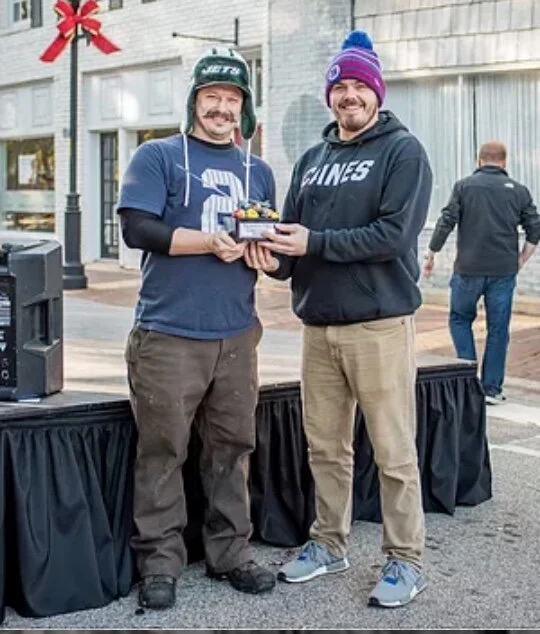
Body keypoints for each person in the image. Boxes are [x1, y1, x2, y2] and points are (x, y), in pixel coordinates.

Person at [244, 30, 433, 608]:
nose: (350, 95)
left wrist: (314, 242)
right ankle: (329, 542)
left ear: (377, 92)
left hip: (378, 325)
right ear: (330, 95)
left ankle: (406, 559)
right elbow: (293, 245)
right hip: (318, 327)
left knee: (393, 451)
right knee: (325, 447)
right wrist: (269, 257)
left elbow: (392, 236)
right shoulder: (311, 160)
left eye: (359, 86)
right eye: (340, 86)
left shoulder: (403, 152)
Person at [117, 47, 276, 610]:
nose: (221, 108)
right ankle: (160, 563)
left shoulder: (258, 170)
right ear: (194, 101)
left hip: (237, 331)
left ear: (244, 108)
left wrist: (268, 256)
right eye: (212, 96)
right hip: (168, 332)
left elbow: (269, 244)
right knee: (163, 451)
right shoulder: (158, 155)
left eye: (232, 99)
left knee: (233, 448)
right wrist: (206, 242)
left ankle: (230, 553)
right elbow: (137, 228)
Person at [423, 140, 540, 404]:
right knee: (498, 329)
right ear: (504, 162)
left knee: (460, 320)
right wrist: (521, 260)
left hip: (468, 268)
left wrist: (431, 253)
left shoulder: (464, 186)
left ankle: (467, 384)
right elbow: (535, 229)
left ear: (479, 160)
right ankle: (491, 389)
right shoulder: (519, 191)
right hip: (503, 271)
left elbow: (446, 220)